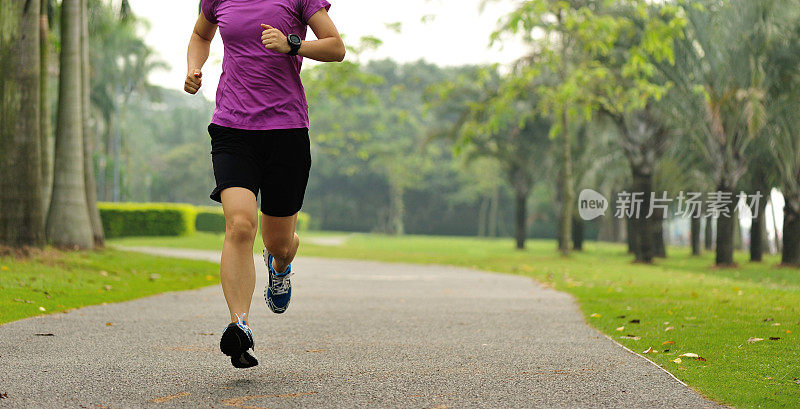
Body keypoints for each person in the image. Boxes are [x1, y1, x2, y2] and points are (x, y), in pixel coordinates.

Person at [184, 0, 345, 369]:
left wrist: (293, 44)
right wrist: (194, 67)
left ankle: (281, 263)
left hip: (286, 131)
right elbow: (200, 34)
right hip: (232, 127)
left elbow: (336, 46)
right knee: (240, 223)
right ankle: (240, 325)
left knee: (279, 242)